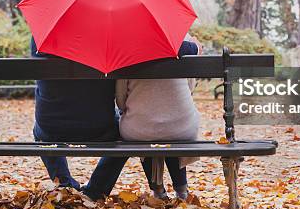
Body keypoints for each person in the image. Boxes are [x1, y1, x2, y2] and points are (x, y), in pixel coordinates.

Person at [31, 37, 200, 199]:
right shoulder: (107, 33)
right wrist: (193, 47)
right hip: (98, 127)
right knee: (122, 136)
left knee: (40, 132)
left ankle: (64, 183)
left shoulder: (42, 35)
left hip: (51, 126)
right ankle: (96, 190)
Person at [114, 34, 201, 200]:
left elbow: (120, 100)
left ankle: (158, 190)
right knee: (173, 128)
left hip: (139, 130)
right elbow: (190, 88)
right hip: (182, 127)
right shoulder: (184, 41)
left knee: (145, 126)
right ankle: (182, 189)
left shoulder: (125, 46)